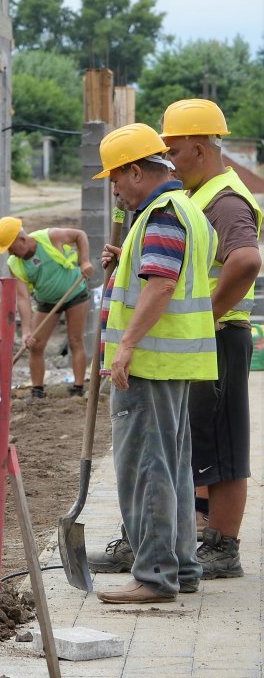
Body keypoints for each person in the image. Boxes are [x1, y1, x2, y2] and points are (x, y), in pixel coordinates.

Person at [84, 122, 219, 605]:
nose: (115, 189)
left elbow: (162, 284)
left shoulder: (161, 213)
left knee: (147, 468)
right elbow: (165, 274)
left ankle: (155, 574)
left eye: (116, 179)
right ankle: (180, 568)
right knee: (172, 466)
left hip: (149, 365)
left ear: (138, 172)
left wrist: (125, 347)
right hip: (174, 365)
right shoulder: (182, 209)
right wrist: (128, 259)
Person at [161, 98, 259, 581]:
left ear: (199, 148)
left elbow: (245, 260)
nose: (170, 162)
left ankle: (224, 548)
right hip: (212, 337)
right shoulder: (204, 193)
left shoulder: (225, 199)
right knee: (207, 438)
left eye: (174, 152)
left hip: (222, 336)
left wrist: (208, 315)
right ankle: (206, 536)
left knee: (224, 444)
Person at [0, 216, 93, 398]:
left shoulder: (50, 237)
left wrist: (84, 261)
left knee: (75, 340)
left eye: (11, 248)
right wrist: (26, 331)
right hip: (46, 301)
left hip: (74, 293)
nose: (10, 253)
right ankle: (37, 390)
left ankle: (78, 388)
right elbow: (22, 299)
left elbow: (80, 235)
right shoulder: (14, 264)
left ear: (21, 239)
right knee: (35, 345)